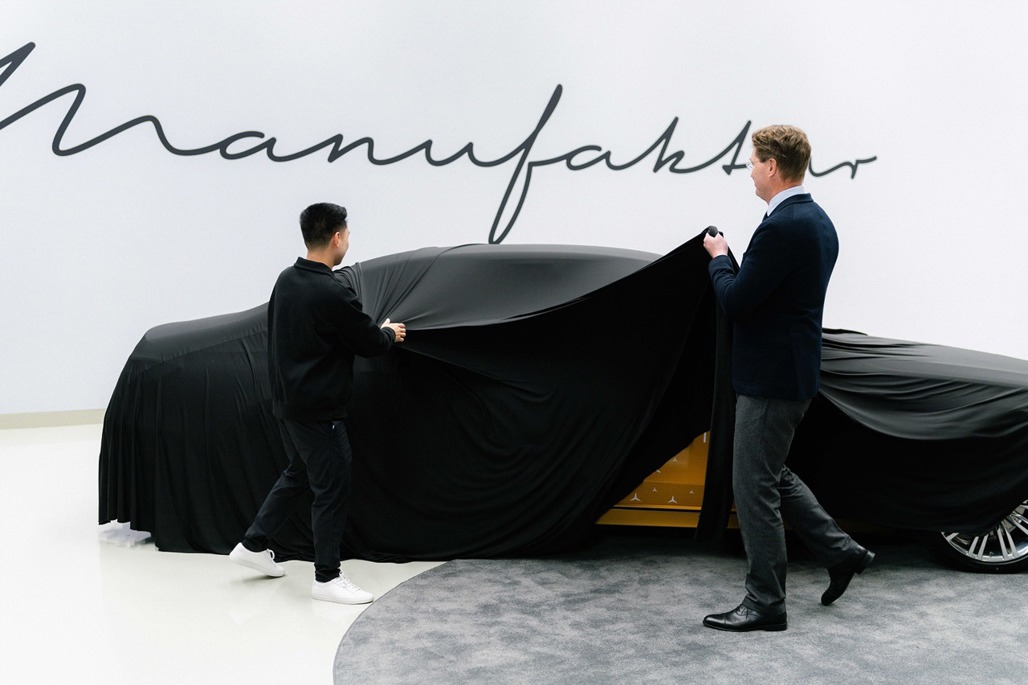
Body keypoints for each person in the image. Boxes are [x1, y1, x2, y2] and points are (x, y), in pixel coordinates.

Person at [701, 125, 873, 632]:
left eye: (753, 163)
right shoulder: (817, 220)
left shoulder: (781, 227)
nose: (750, 171)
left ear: (772, 166)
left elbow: (737, 302)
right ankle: (842, 553)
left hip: (770, 379)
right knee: (771, 473)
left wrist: (719, 260)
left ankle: (766, 603)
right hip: (792, 373)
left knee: (754, 486)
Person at [229, 202, 406, 604]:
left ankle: (254, 544)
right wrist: (389, 333)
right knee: (332, 489)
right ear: (337, 238)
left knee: (299, 475)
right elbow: (369, 343)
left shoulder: (286, 279)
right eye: (348, 234)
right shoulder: (332, 291)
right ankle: (327, 577)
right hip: (319, 412)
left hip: (288, 405)